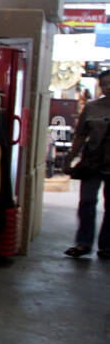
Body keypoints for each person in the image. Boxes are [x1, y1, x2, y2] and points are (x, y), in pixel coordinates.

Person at [64, 69, 110, 258]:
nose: (108, 87)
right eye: (104, 84)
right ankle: (83, 243)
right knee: (87, 203)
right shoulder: (91, 108)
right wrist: (69, 158)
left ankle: (106, 246)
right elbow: (81, 136)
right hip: (92, 163)